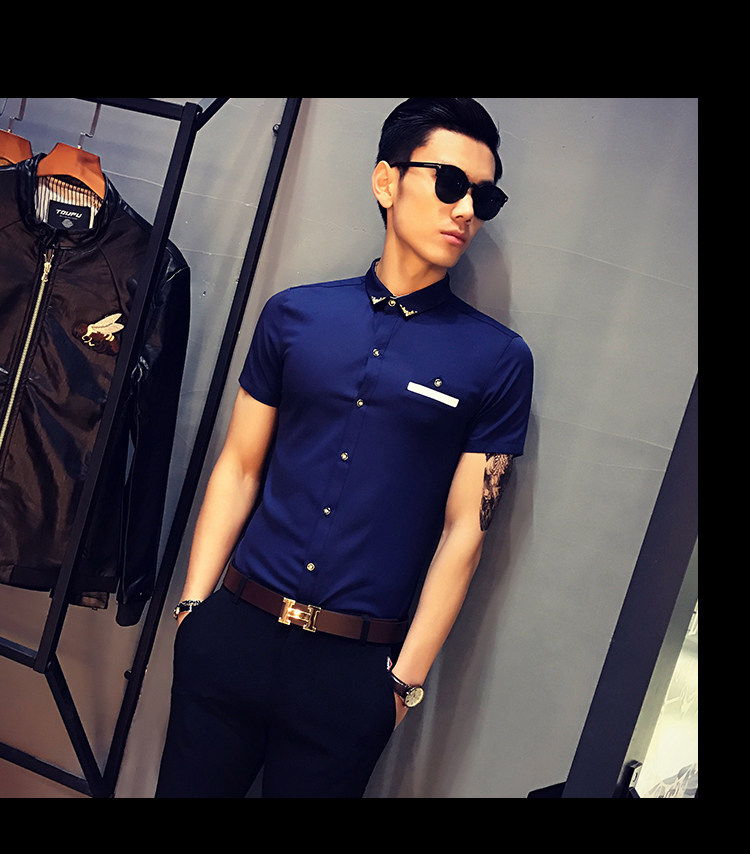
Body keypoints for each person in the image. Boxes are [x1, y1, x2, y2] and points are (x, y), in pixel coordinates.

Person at [155, 98, 533, 798]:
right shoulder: (295, 315)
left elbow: (465, 533)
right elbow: (239, 466)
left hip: (352, 674)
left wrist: (401, 685)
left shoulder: (498, 360)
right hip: (233, 632)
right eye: (450, 183)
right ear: (387, 181)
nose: (466, 210)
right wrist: (192, 610)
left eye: (485, 197)